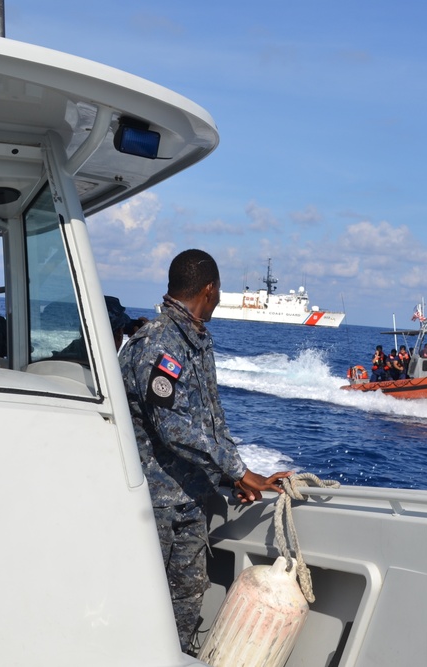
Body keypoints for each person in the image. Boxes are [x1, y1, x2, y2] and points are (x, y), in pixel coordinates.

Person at [119, 249, 291, 653]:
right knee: (141, 604)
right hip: (153, 505)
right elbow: (173, 428)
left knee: (184, 605)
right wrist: (238, 469)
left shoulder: (195, 340)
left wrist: (233, 475)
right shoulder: (157, 344)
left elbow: (211, 420)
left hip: (191, 501)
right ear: (209, 289)